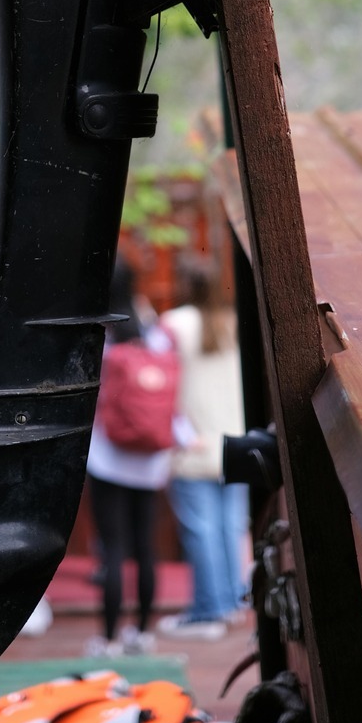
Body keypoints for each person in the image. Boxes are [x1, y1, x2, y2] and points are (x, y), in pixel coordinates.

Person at [84, 259, 177, 658]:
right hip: (151, 459)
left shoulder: (99, 334)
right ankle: (141, 633)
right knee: (145, 547)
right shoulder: (152, 329)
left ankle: (107, 639)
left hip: (108, 457)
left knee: (113, 547)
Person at [157, 268, 249, 640]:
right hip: (235, 443)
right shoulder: (233, 323)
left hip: (193, 444)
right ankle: (233, 603)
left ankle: (208, 610)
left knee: (201, 530)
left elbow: (159, 383)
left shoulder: (173, 324)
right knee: (231, 527)